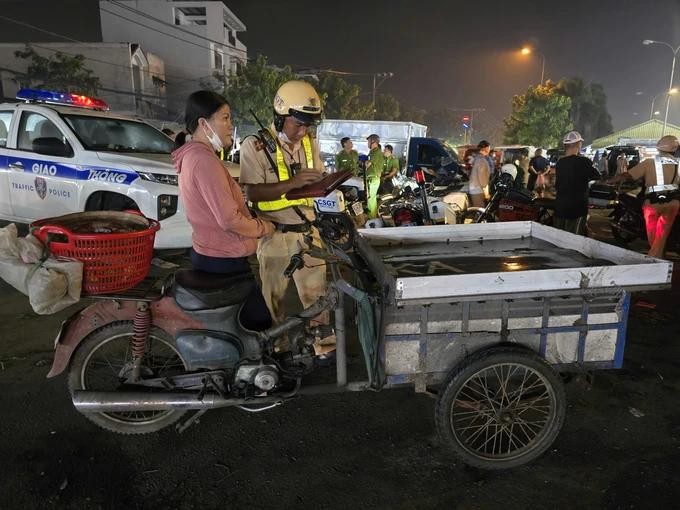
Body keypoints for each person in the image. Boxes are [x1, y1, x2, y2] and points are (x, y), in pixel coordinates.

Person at [239, 80, 334, 355]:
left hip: (308, 231)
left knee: (317, 297)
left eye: (308, 125)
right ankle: (275, 349)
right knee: (273, 300)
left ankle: (322, 347)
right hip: (274, 234)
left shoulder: (309, 142)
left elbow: (314, 181)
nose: (303, 131)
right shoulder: (254, 146)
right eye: (297, 124)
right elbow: (253, 193)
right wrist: (291, 183)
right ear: (280, 118)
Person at [172, 90, 274, 331]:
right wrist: (263, 228)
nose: (231, 125)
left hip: (209, 252)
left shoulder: (193, 156)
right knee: (257, 323)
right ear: (203, 123)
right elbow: (229, 220)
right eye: (225, 118)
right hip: (223, 257)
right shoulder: (204, 161)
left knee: (230, 326)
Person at [609, 135, 679, 258]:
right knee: (662, 235)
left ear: (659, 148)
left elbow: (628, 175)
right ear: (674, 149)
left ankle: (654, 261)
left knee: (654, 238)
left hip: (652, 204)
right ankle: (659, 257)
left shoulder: (649, 162)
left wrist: (610, 181)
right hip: (673, 204)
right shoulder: (679, 165)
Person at [553, 131, 602, 235]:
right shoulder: (585, 162)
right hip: (577, 209)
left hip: (560, 206)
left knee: (558, 239)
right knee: (573, 241)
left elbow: (558, 184)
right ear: (578, 144)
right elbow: (598, 176)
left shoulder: (560, 163)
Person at [365, 133, 384, 218]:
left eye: (369, 141)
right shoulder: (372, 152)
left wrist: (363, 163)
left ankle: (371, 218)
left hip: (373, 178)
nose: (367, 143)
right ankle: (374, 216)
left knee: (370, 199)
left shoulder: (376, 152)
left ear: (373, 141)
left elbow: (368, 164)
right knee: (372, 199)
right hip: (372, 178)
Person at [468, 140, 492, 207]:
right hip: (477, 190)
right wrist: (486, 194)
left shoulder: (477, 158)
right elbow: (482, 180)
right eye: (489, 148)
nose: (490, 150)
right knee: (479, 211)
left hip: (474, 189)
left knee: (477, 210)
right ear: (486, 148)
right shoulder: (482, 161)